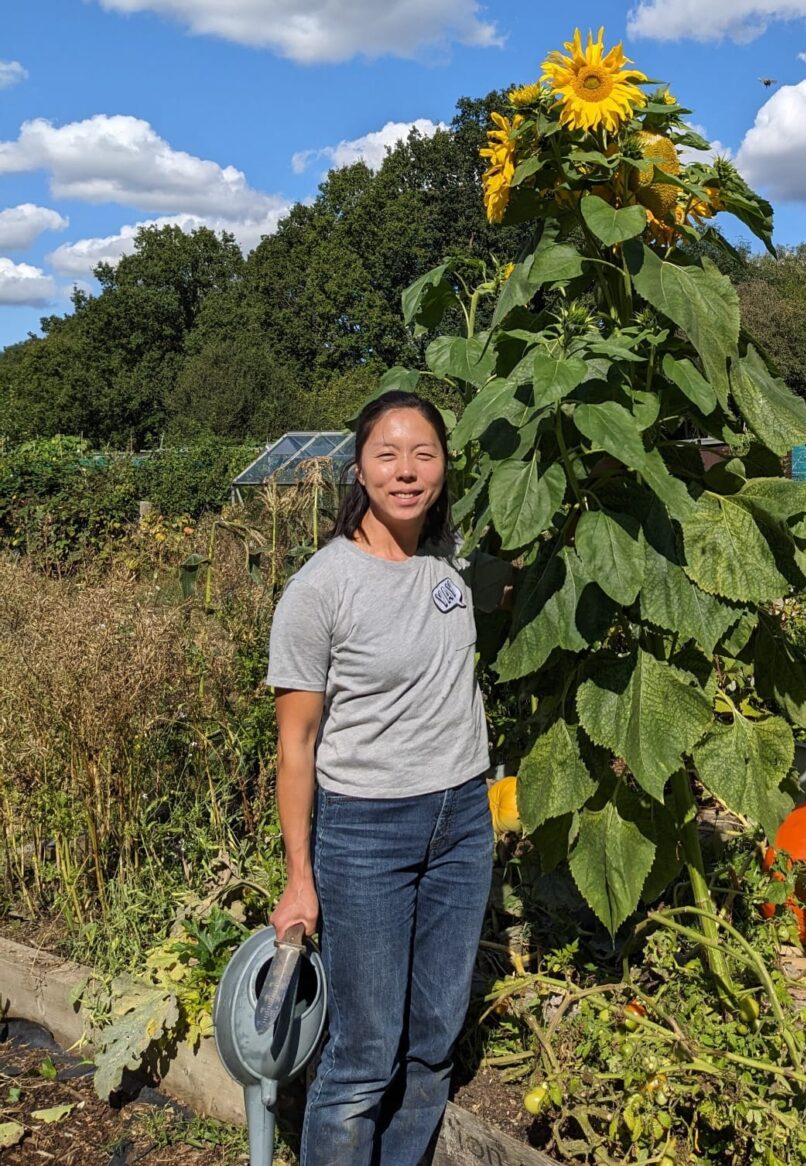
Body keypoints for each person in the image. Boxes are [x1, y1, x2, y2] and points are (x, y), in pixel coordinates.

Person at [266, 390, 512, 1166]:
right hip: (366, 830)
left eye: (425, 454)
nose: (407, 472)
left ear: (444, 465)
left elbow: (525, 581)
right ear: (360, 469)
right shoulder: (321, 588)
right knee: (363, 1054)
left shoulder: (452, 561)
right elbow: (296, 744)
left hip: (463, 823)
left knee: (434, 1038)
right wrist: (298, 877)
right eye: (387, 454)